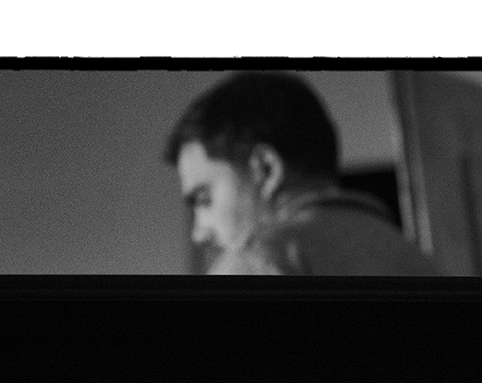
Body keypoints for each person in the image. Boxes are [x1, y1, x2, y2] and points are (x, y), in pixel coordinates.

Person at [164, 72, 442, 277]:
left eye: (204, 198)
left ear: (265, 169)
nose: (199, 232)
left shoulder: (257, 264)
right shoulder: (415, 259)